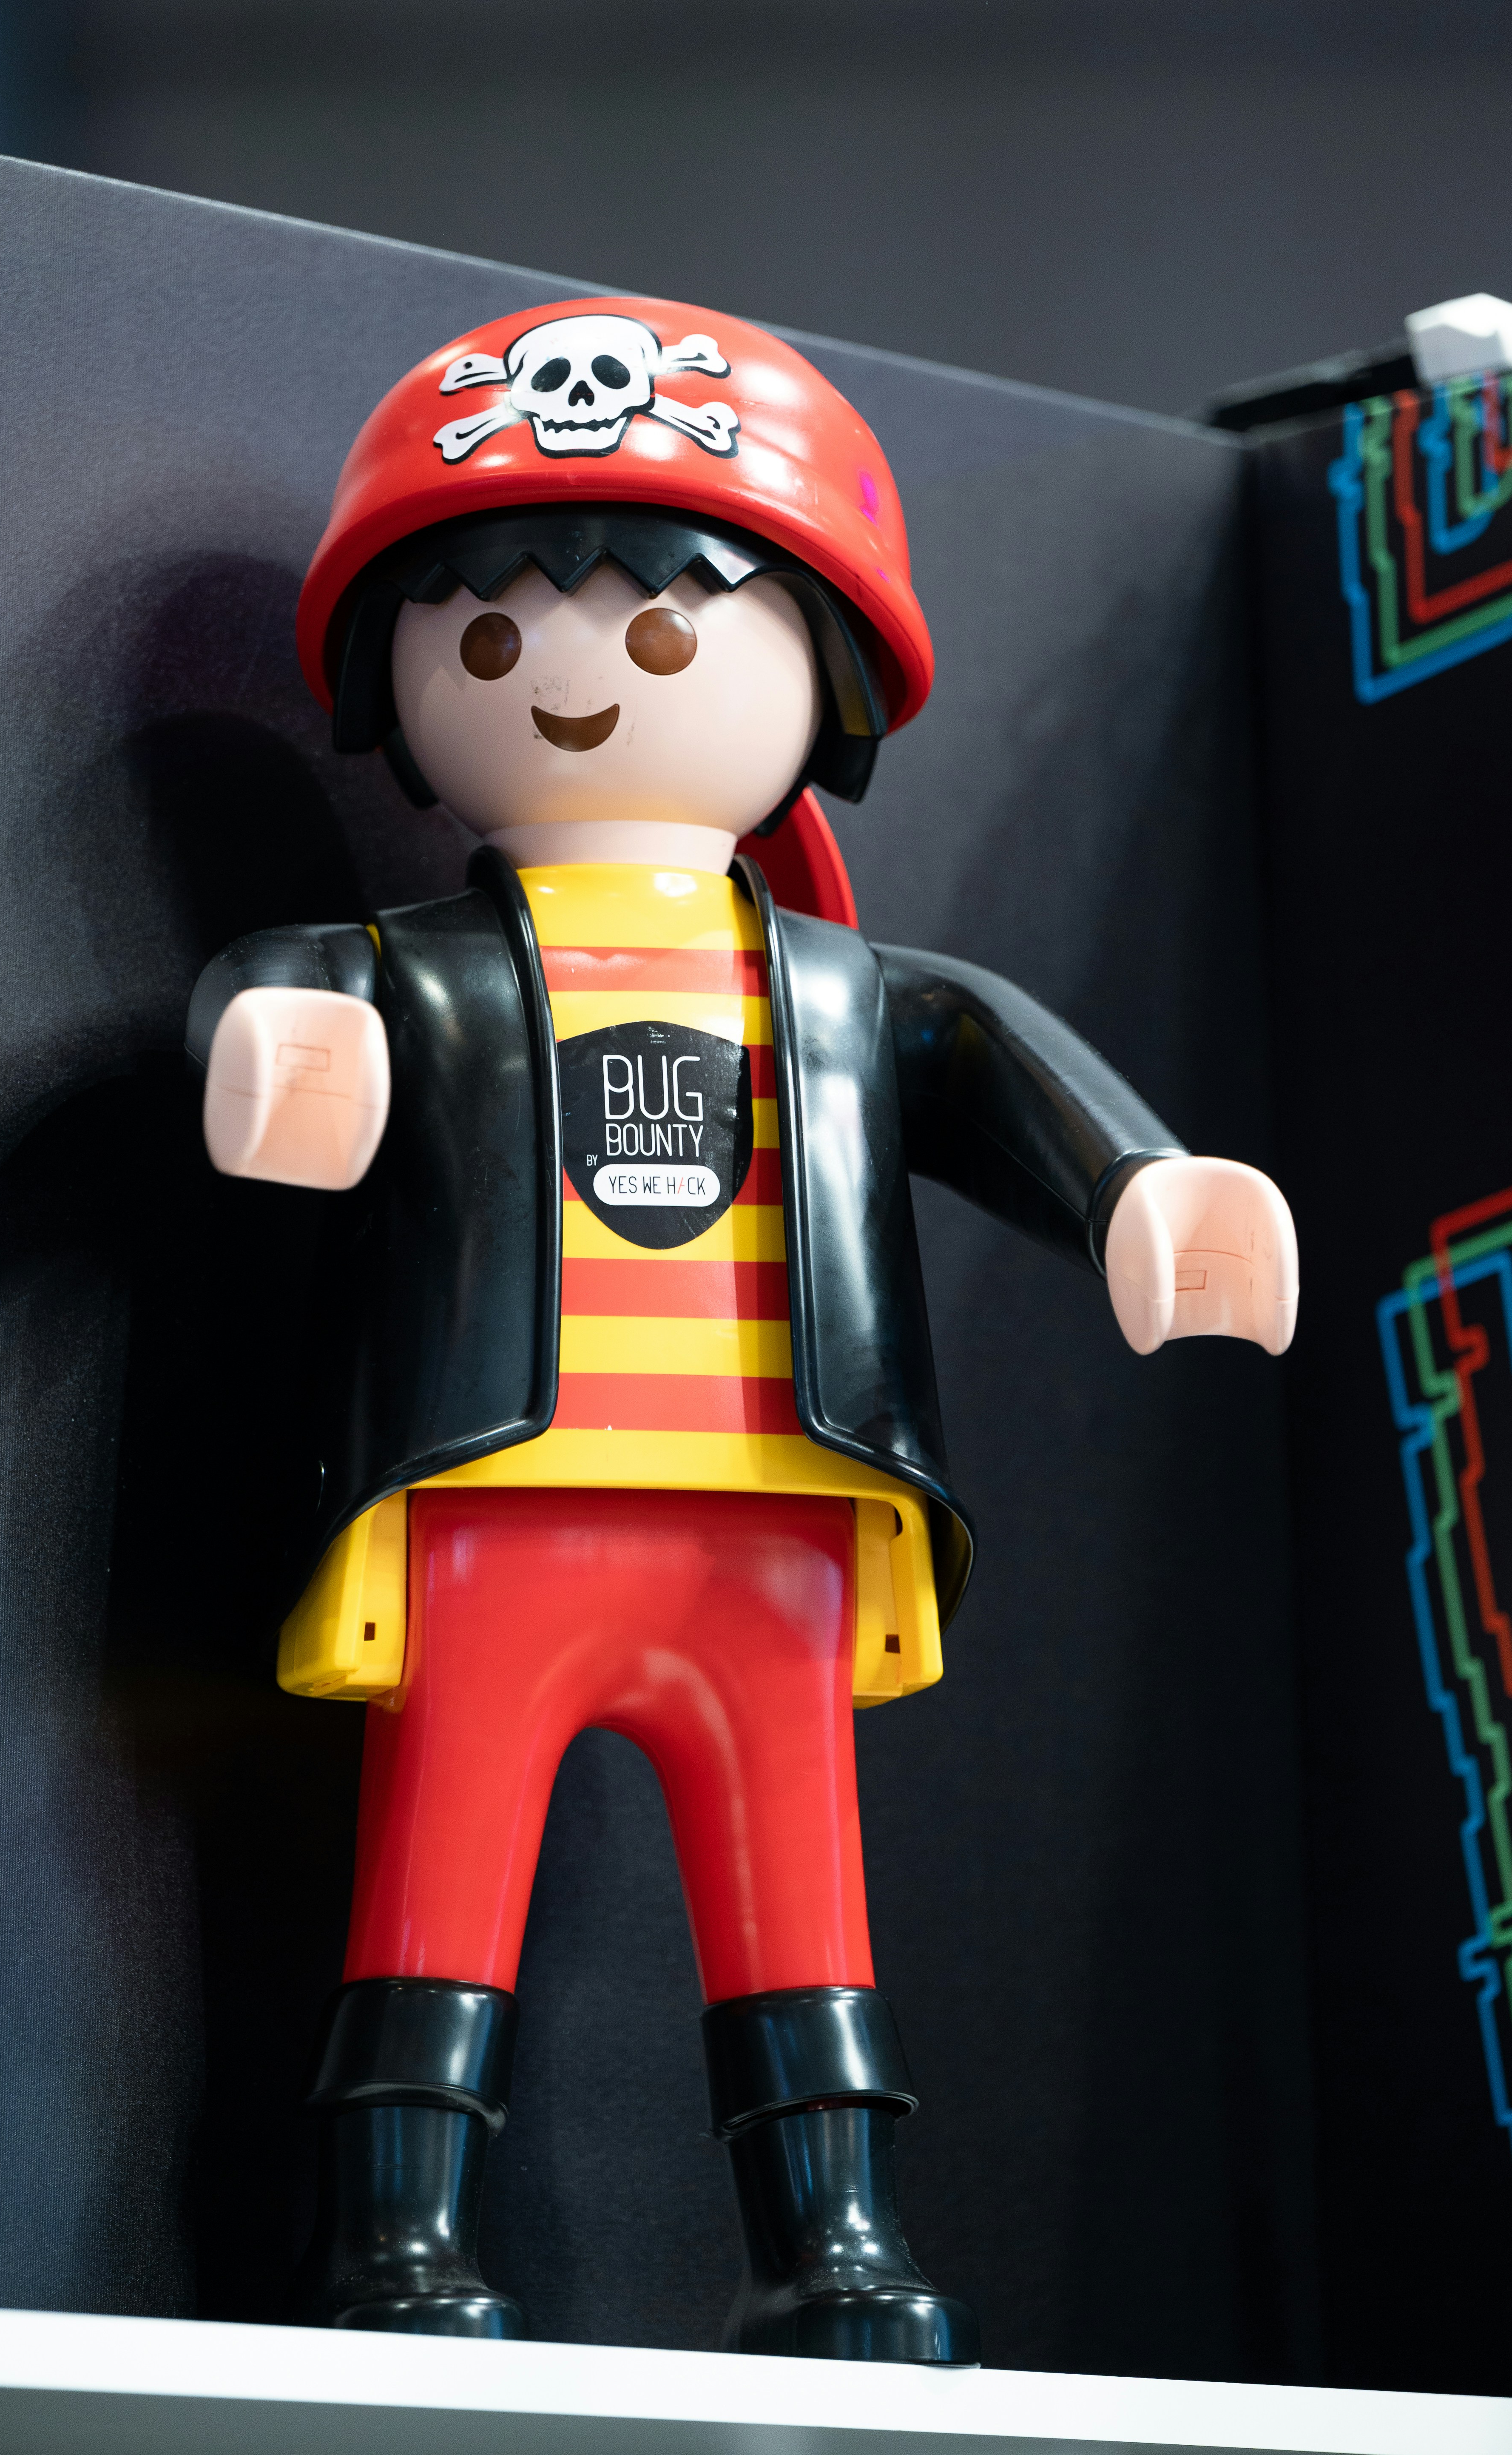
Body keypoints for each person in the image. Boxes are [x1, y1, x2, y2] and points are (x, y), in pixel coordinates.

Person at [186, 299, 1299, 2361]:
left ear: (824, 676)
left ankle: (834, 2243)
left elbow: (997, 1079)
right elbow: (273, 1004)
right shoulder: (405, 962)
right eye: (487, 643)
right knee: (434, 1884)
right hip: (493, 1498)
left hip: (774, 1515)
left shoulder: (847, 991)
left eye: (657, 631)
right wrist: (281, 1049)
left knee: (801, 1897)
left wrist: (1143, 1191)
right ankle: (394, 2237)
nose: (571, 682)